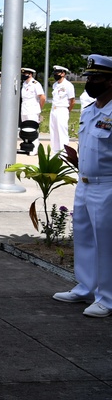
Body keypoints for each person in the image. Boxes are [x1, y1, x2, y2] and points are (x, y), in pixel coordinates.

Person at [52, 54, 112, 318]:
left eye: (96, 78)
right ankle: (86, 287)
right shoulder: (90, 111)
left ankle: (107, 298)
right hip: (85, 183)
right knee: (85, 239)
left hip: (108, 187)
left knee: (106, 243)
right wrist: (77, 161)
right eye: (89, 77)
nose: (91, 82)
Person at [49, 65, 76, 154]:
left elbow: (72, 100)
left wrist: (68, 110)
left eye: (57, 72)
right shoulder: (55, 85)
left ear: (63, 73)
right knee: (54, 130)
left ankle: (64, 151)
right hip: (54, 109)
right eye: (55, 72)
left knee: (62, 131)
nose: (56, 74)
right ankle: (55, 151)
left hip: (62, 109)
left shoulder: (68, 85)